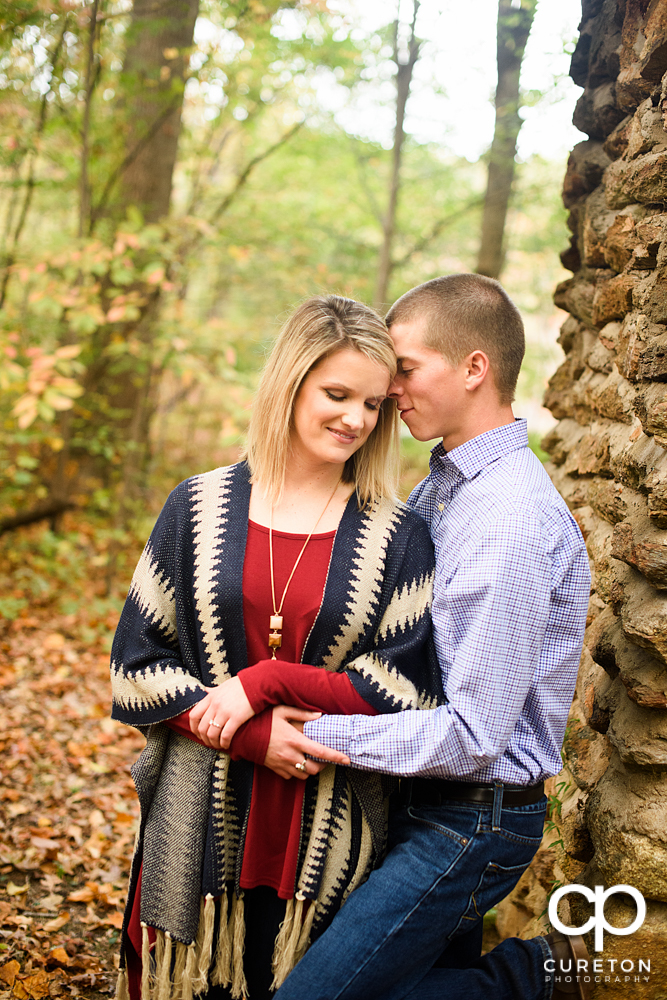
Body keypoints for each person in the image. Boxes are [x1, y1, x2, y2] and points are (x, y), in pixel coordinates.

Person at [223, 275, 592, 1000]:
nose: (390, 391)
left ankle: (536, 977)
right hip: (415, 797)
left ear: (473, 369)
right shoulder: (443, 487)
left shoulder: (508, 520)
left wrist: (315, 735)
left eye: (406, 370)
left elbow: (477, 733)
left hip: (472, 821)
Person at [110, 295, 445, 1000]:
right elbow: (135, 665)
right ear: (289, 383)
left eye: (373, 404)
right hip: (194, 814)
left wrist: (266, 683)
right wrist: (249, 735)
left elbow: (401, 688)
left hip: (324, 824)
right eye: (335, 394)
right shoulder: (195, 509)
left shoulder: (397, 534)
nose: (355, 419)